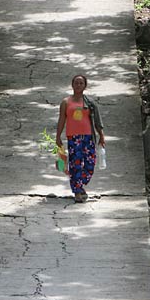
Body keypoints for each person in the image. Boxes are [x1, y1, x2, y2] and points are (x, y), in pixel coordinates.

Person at [56, 74, 105, 203]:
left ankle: (79, 184)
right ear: (72, 85)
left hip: (88, 137)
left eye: (81, 83)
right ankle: (77, 191)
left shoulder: (89, 103)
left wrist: (101, 136)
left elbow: (97, 121)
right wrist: (58, 136)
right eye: (76, 83)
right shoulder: (66, 102)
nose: (78, 85)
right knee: (75, 164)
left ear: (85, 86)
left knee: (90, 164)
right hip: (74, 138)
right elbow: (61, 120)